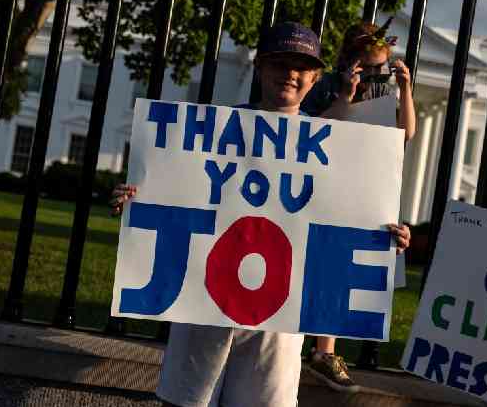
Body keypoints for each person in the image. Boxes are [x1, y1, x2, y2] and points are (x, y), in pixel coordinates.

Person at [109, 21, 412, 407]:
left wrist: (386, 239)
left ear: (316, 76)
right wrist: (135, 200)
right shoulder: (209, 134)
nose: (290, 74)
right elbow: (174, 195)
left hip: (280, 318)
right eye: (280, 63)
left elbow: (350, 219)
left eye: (301, 67)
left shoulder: (337, 149)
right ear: (260, 68)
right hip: (204, 306)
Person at [300, 18, 416, 392]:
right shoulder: (330, 86)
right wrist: (345, 96)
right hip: (324, 186)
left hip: (363, 187)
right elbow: (309, 130)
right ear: (349, 62)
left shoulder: (384, 94)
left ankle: (324, 350)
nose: (373, 74)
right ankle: (312, 347)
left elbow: (405, 134)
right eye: (368, 67)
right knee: (316, 262)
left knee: (340, 267)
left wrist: (405, 89)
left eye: (380, 67)